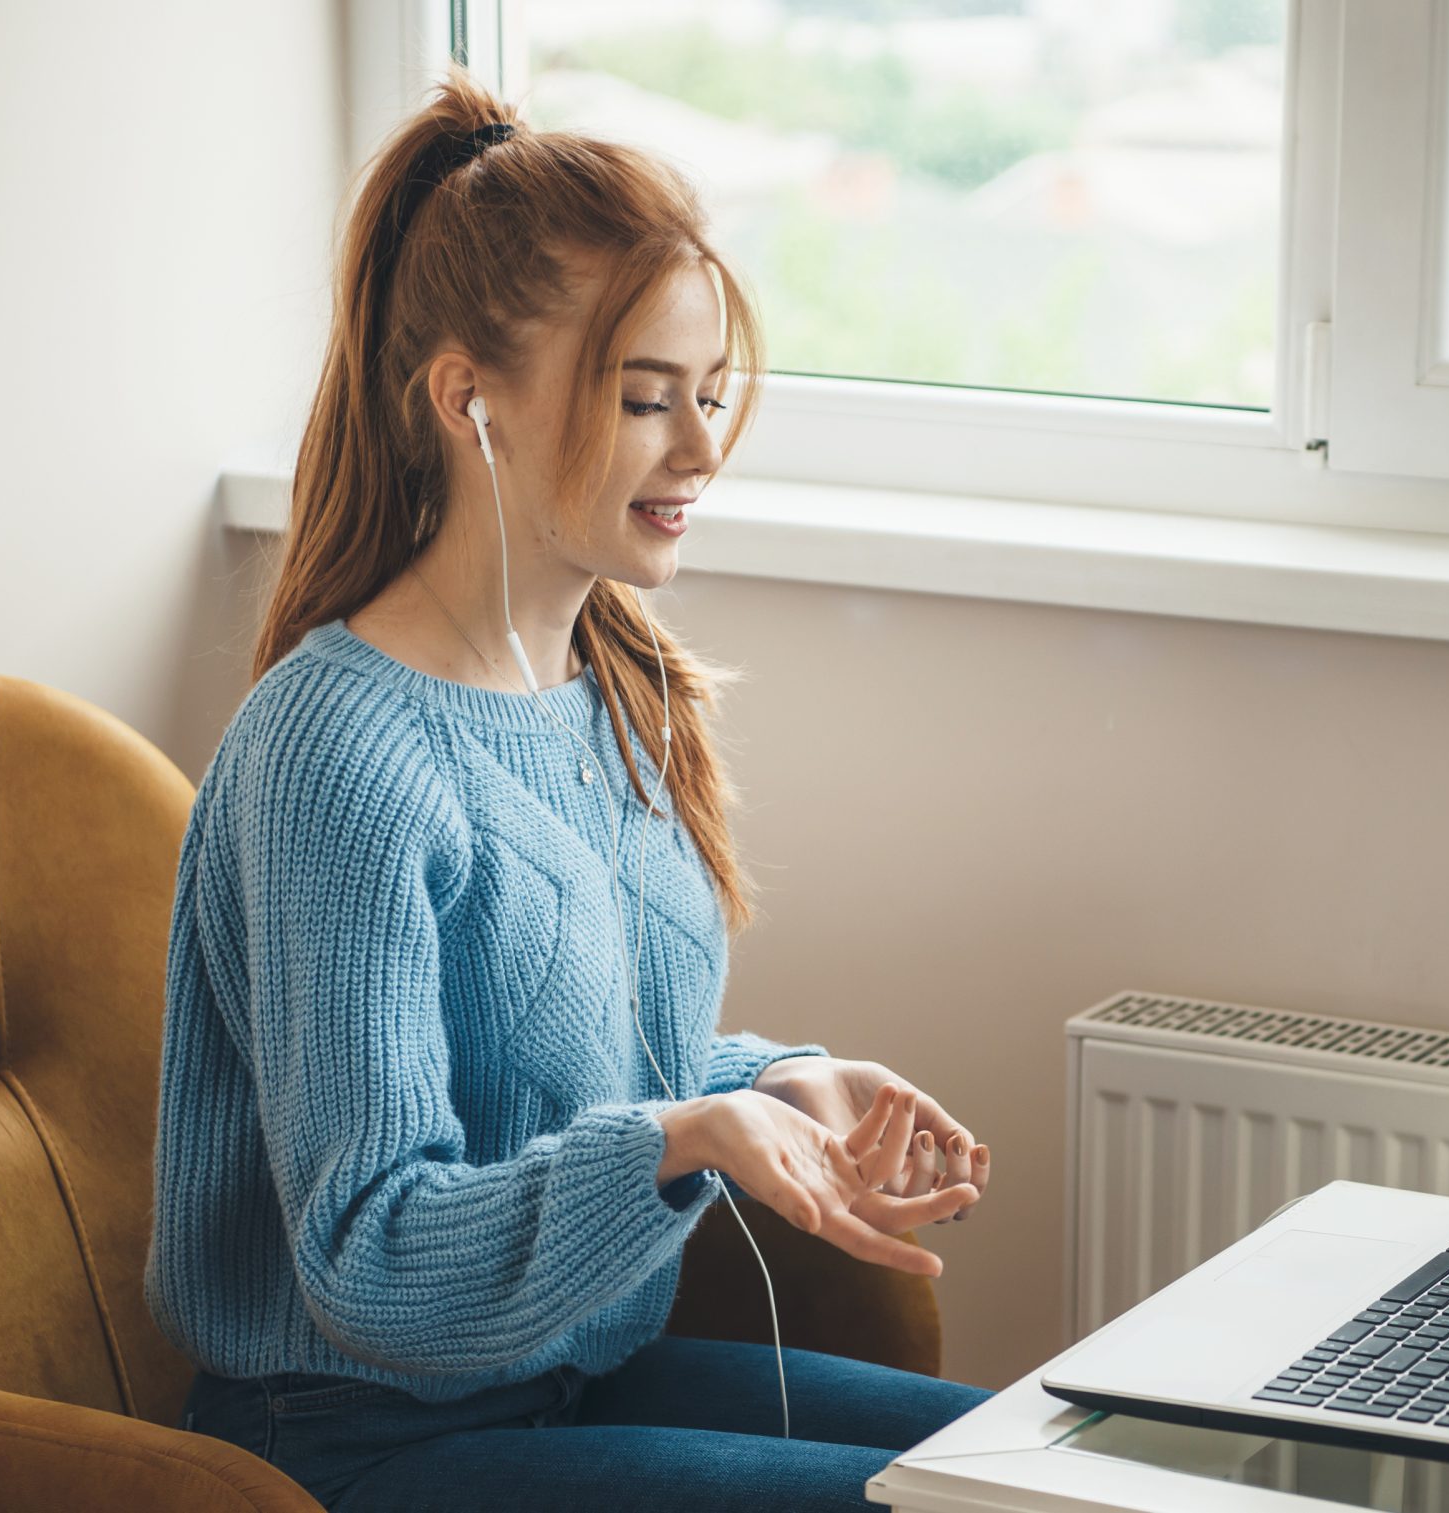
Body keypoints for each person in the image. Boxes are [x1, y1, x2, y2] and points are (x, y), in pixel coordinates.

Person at [143, 64, 994, 1511]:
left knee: (1050, 1467)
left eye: (711, 395)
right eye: (647, 397)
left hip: (569, 1382)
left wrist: (774, 1084)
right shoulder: (334, 757)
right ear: (468, 398)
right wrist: (687, 1136)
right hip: (360, 1441)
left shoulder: (617, 683)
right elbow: (369, 1254)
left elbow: (572, 1075)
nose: (704, 450)